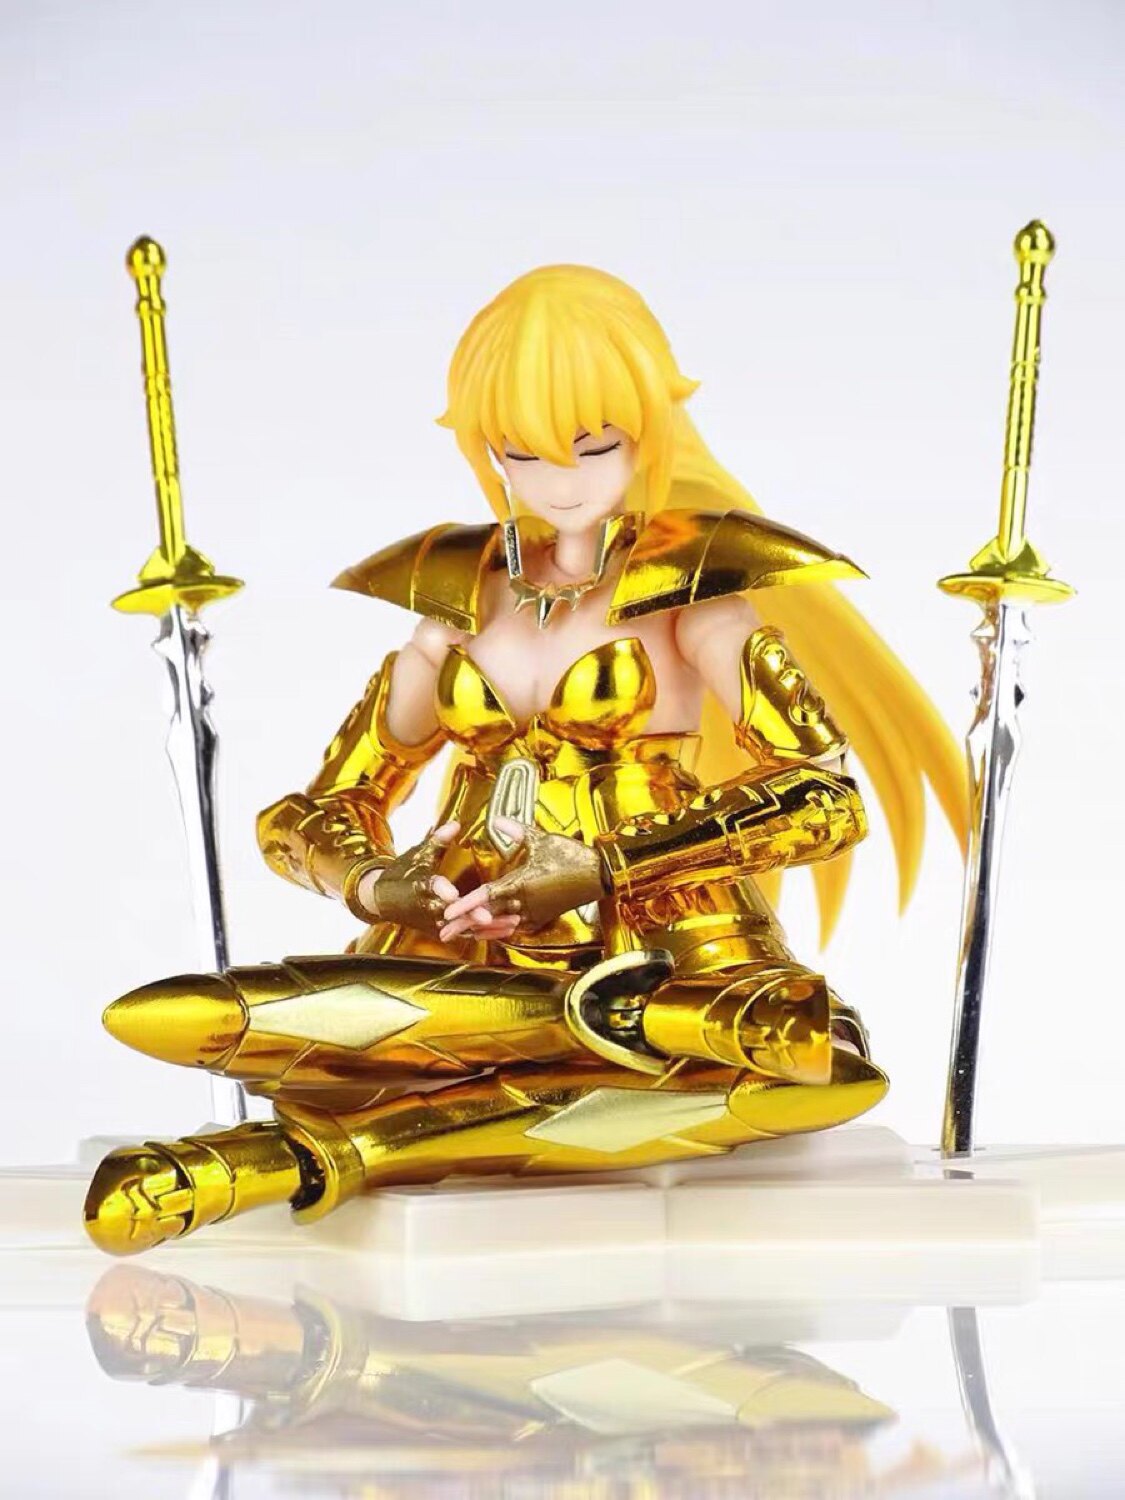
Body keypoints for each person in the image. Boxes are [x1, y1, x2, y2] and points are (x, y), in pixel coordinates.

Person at [85, 265, 966, 1255]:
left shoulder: (696, 591)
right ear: (485, 447)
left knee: (814, 1068)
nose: (561, 481)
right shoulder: (453, 592)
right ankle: (574, 1034)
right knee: (352, 1041)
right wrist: (376, 881)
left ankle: (326, 1151)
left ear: (649, 431)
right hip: (456, 940)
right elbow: (316, 810)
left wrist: (605, 866)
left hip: (668, 936)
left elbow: (821, 799)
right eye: (522, 453)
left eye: (595, 446)